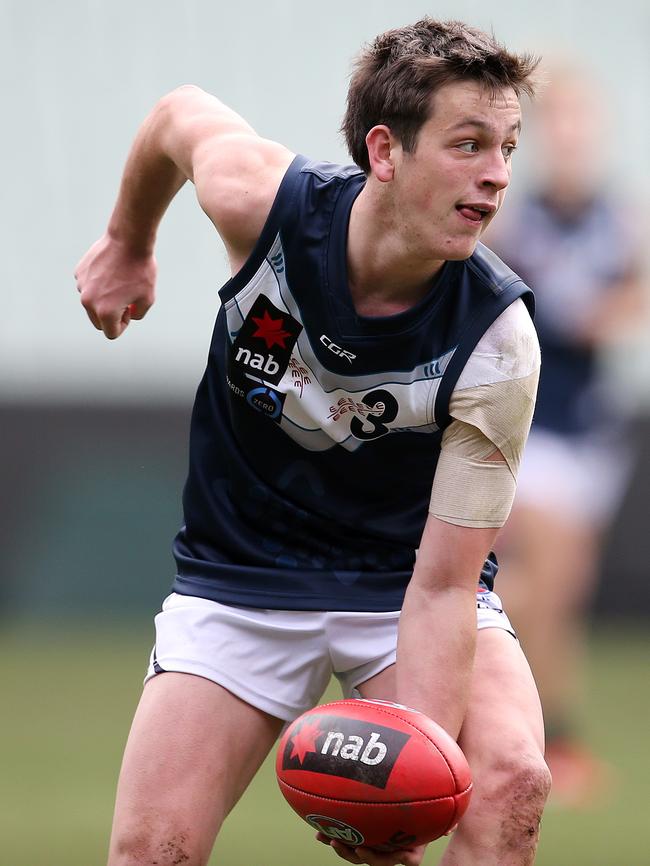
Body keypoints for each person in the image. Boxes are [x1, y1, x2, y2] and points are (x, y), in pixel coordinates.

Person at [75, 18, 550, 866]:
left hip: (404, 589)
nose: (496, 176)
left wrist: (411, 782)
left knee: (508, 784)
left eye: (508, 147)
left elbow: (443, 587)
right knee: (153, 851)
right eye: (469, 144)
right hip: (242, 580)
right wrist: (128, 240)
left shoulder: (497, 343)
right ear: (385, 151)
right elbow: (179, 116)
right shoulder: (264, 203)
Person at [486, 67, 645, 807]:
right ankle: (534, 737)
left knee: (555, 590)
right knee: (542, 585)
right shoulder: (520, 219)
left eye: (585, 125)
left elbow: (634, 292)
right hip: (538, 420)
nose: (574, 140)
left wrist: (610, 307)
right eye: (563, 126)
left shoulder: (617, 218)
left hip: (592, 428)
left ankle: (523, 723)